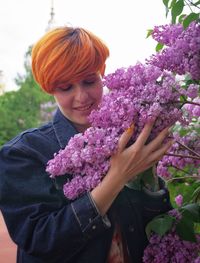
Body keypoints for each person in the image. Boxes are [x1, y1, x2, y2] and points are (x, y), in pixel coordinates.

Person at [0, 26, 172, 263]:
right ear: (50, 88)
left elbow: (155, 228)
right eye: (66, 87)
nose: (82, 97)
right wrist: (117, 176)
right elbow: (39, 240)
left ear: (102, 75)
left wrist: (150, 179)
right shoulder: (21, 154)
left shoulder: (129, 135)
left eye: (90, 81)